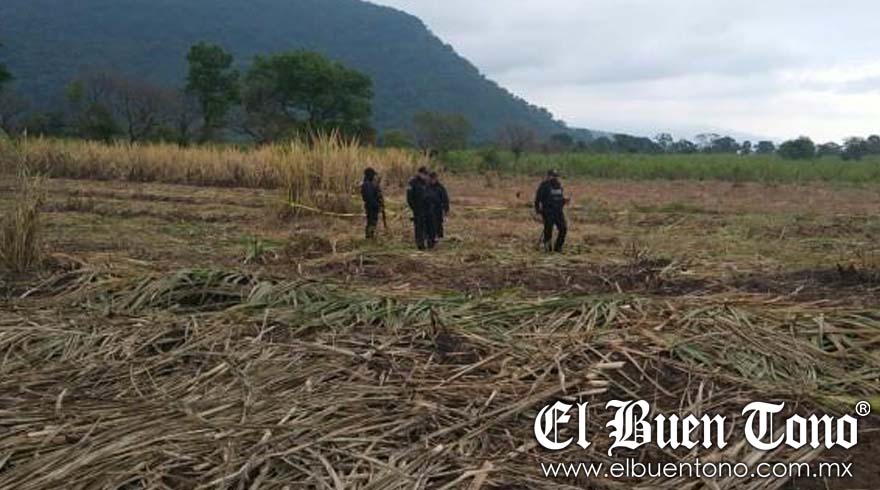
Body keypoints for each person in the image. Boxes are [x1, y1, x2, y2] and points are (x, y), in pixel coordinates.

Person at [534, 169, 568, 252]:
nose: (554, 178)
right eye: (553, 176)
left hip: (558, 211)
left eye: (556, 176)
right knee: (548, 229)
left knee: (563, 228)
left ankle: (558, 247)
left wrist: (564, 201)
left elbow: (559, 198)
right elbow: (538, 199)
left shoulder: (558, 185)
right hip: (548, 211)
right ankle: (547, 248)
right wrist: (538, 210)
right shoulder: (544, 185)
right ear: (548, 176)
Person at [406, 166, 431, 249]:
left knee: (428, 225)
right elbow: (409, 197)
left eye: (426, 174)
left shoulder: (427, 182)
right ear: (419, 173)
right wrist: (414, 208)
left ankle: (429, 242)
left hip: (427, 207)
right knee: (419, 226)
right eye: (424, 174)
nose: (425, 176)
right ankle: (420, 244)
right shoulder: (412, 182)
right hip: (418, 208)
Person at [360, 167, 384, 240]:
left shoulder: (369, 183)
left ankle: (371, 236)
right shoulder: (367, 185)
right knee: (371, 222)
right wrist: (377, 206)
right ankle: (369, 237)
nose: (374, 176)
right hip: (371, 207)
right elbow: (370, 198)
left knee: (372, 222)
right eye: (373, 175)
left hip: (372, 206)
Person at [427, 171, 450, 240]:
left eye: (434, 178)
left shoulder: (440, 187)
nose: (432, 180)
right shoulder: (426, 186)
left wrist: (446, 209)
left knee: (438, 222)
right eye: (431, 178)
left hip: (438, 208)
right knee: (430, 223)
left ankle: (439, 236)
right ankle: (430, 236)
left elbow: (445, 198)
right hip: (428, 208)